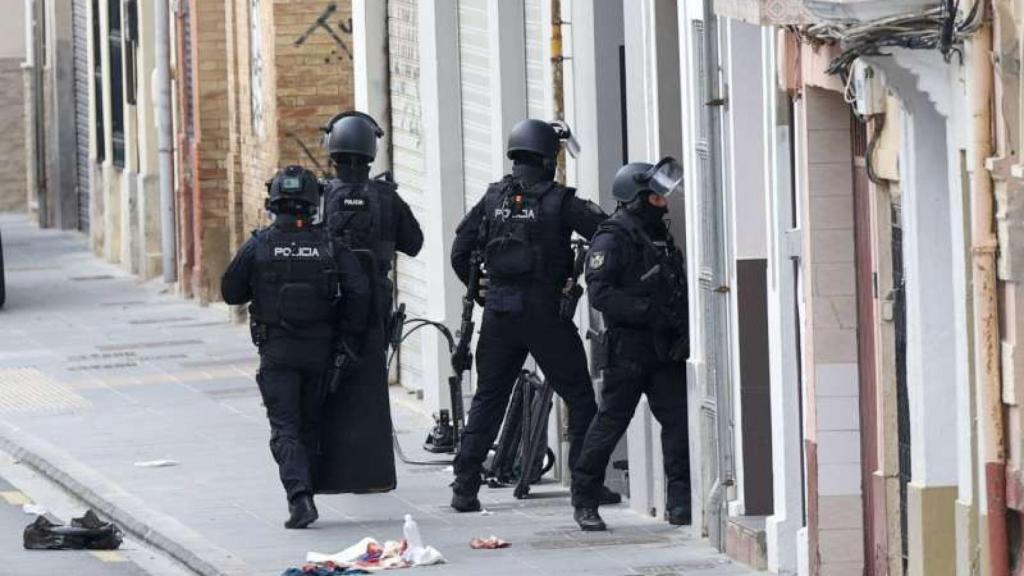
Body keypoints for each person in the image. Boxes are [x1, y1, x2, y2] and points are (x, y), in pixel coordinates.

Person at [448, 118, 616, 512]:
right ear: (548, 158)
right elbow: (608, 232)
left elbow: (460, 252)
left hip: (499, 317)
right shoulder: (560, 201)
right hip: (545, 316)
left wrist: (482, 291)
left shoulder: (493, 199)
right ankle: (585, 487)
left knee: (488, 399)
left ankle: (464, 487)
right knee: (579, 397)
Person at [221, 165, 370, 529]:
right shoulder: (330, 245)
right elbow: (360, 291)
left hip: (278, 351)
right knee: (310, 423)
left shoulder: (260, 244)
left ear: (273, 202)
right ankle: (310, 484)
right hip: (321, 351)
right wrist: (349, 339)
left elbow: (230, 292)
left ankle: (300, 497)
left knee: (284, 426)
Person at [571, 158, 691, 532]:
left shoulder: (658, 237)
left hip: (664, 348)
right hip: (629, 349)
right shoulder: (612, 237)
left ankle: (680, 502)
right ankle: (585, 499)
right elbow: (601, 294)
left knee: (677, 424)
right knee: (609, 424)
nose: (664, 205)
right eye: (656, 199)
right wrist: (646, 310)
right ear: (636, 198)